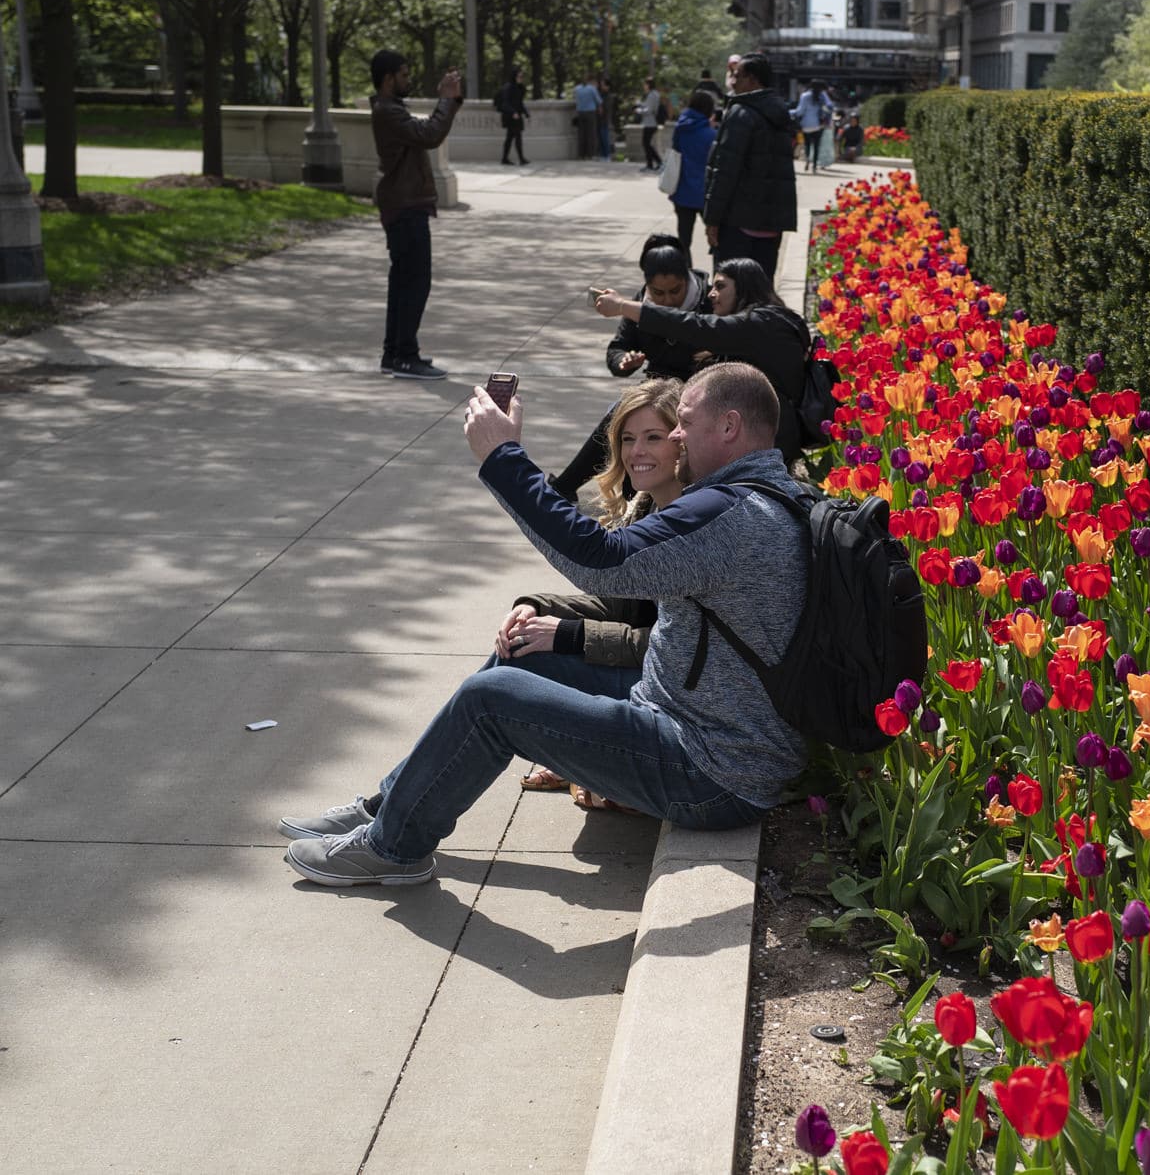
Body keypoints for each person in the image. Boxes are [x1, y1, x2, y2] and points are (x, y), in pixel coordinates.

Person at [279, 362, 809, 887]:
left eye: (682, 424)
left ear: (730, 427)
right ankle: (390, 804)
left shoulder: (731, 517)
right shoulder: (768, 496)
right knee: (522, 655)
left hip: (712, 770)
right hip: (692, 720)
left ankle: (394, 850)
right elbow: (626, 598)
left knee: (492, 698)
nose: (674, 434)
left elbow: (597, 557)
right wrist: (546, 613)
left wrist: (502, 458)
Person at [511, 379, 684, 810]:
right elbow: (623, 606)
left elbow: (670, 644)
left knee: (496, 690)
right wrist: (536, 606)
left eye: (652, 438)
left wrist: (568, 635)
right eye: (627, 439)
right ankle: (577, 761)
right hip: (648, 676)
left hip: (675, 697)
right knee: (520, 640)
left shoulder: (696, 523)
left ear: (683, 441)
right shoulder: (645, 504)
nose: (635, 451)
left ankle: (582, 763)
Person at [593, 256, 808, 464]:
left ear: (743, 287)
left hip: (768, 439)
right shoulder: (766, 321)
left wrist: (622, 306)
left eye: (720, 286)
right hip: (754, 431)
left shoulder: (760, 323)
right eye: (712, 287)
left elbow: (693, 326)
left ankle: (565, 488)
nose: (712, 294)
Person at [552, 237, 709, 498]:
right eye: (659, 293)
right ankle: (568, 488)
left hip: (698, 386)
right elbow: (616, 349)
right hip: (655, 385)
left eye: (675, 291)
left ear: (687, 278)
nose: (667, 300)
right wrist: (624, 361)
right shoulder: (640, 303)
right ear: (647, 286)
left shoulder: (707, 299)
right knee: (621, 417)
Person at [370, 49, 461, 380]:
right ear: (388, 78)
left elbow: (424, 133)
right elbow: (429, 135)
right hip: (405, 206)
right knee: (414, 282)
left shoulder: (390, 109)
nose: (409, 80)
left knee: (403, 282)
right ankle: (405, 355)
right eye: (405, 75)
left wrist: (448, 101)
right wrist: (446, 100)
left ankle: (394, 353)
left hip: (406, 204)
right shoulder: (387, 112)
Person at [702, 52, 798, 279]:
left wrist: (712, 219)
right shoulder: (779, 113)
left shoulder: (741, 113)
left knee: (729, 295)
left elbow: (725, 171)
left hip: (738, 223)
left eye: (737, 76)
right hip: (771, 224)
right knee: (761, 293)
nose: (733, 81)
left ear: (753, 79)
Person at [668, 88, 719, 249]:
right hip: (707, 193)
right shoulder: (712, 135)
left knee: (684, 240)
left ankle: (686, 272)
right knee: (717, 239)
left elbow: (676, 151)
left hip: (682, 190)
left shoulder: (680, 129)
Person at [794, 80, 836, 173]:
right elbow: (830, 107)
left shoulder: (805, 96)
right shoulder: (822, 96)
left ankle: (808, 160)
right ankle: (814, 166)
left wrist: (790, 112)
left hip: (806, 125)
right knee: (817, 145)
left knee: (807, 144)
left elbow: (800, 111)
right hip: (818, 125)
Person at [495, 66, 530, 166]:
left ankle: (505, 158)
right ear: (514, 76)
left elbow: (519, 102)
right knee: (517, 137)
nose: (521, 78)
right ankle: (521, 159)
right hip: (510, 116)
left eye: (522, 76)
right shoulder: (508, 87)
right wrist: (513, 112)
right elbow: (505, 103)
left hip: (517, 115)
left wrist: (526, 112)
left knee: (510, 138)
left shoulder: (519, 88)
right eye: (519, 76)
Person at [637, 77, 665, 171]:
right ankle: (655, 163)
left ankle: (654, 164)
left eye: (645, 84)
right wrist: (640, 104)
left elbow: (649, 110)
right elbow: (648, 106)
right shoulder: (653, 94)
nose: (643, 86)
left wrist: (639, 110)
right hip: (650, 123)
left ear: (648, 85)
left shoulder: (652, 95)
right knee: (646, 144)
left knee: (646, 143)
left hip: (651, 123)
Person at [572, 74, 600, 159]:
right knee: (591, 134)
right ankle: (591, 154)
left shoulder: (576, 89)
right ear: (589, 81)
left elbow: (575, 99)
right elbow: (598, 100)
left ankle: (581, 154)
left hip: (580, 112)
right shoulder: (592, 89)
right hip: (590, 112)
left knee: (581, 134)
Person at [596, 75, 615, 161]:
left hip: (605, 119)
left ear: (608, 86)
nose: (601, 86)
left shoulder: (608, 96)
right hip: (599, 119)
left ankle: (607, 155)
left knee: (605, 138)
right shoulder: (600, 94)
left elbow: (606, 108)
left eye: (603, 84)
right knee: (600, 137)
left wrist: (601, 108)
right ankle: (603, 155)